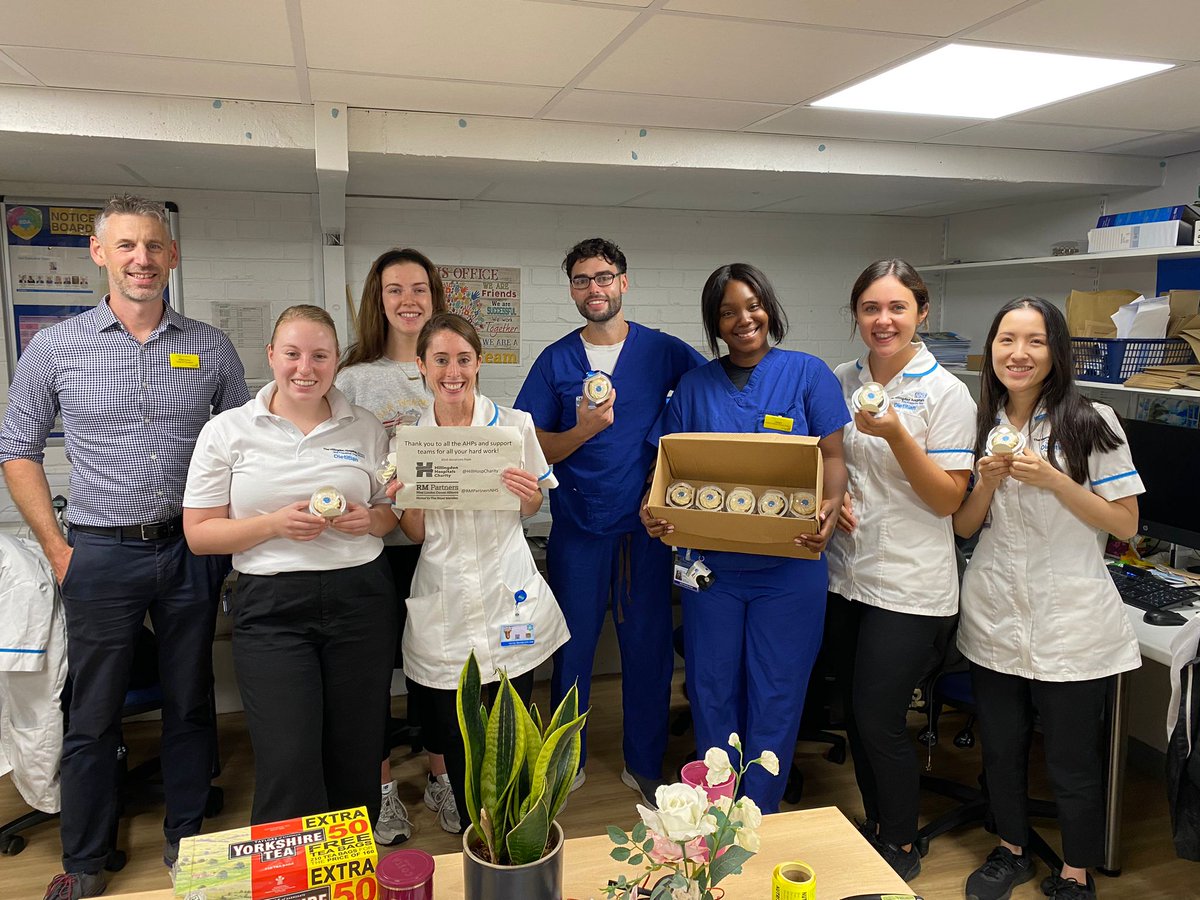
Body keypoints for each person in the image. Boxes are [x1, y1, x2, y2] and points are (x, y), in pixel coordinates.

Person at [0, 194, 250, 900]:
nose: (142, 259)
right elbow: (15, 448)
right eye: (127, 246)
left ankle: (189, 843)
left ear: (172, 256)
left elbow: (246, 448)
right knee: (92, 713)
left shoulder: (210, 345)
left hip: (189, 550)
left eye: (154, 246)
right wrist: (55, 547)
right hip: (97, 552)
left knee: (189, 700)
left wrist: (228, 544)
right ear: (100, 253)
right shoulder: (55, 345)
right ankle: (82, 859)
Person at [642, 262, 849, 814]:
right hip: (711, 570)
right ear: (715, 322)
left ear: (770, 308)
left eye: (753, 306)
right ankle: (712, 810)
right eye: (728, 311)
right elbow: (669, 467)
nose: (743, 319)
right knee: (712, 689)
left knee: (776, 693)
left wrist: (830, 504)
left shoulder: (808, 375)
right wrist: (654, 509)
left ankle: (758, 811)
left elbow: (832, 456)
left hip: (789, 569)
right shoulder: (693, 386)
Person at [953, 297, 1142, 900]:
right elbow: (964, 527)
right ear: (992, 350)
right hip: (995, 613)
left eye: (1034, 341)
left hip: (1072, 621)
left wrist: (1054, 479)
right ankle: (1011, 850)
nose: (1019, 353)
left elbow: (1126, 525)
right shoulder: (981, 423)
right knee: (1003, 747)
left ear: (1056, 352)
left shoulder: (1094, 421)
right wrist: (985, 480)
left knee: (1070, 758)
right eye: (1007, 340)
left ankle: (1075, 872)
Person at [183, 305, 399, 827]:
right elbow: (199, 534)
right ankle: (292, 883)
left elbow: (389, 515)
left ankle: (353, 872)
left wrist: (366, 520)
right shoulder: (227, 430)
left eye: (320, 355)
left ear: (335, 362)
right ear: (271, 356)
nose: (306, 367)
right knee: (288, 758)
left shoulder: (365, 427)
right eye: (293, 353)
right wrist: (273, 525)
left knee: (357, 749)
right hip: (271, 606)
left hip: (360, 600)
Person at [515, 237, 704, 803]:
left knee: (646, 649)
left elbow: (706, 405)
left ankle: (644, 763)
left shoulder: (665, 353)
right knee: (571, 648)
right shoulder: (555, 361)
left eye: (602, 277)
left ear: (623, 281)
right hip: (579, 529)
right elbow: (533, 447)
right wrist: (583, 430)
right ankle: (563, 763)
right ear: (571, 290)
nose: (593, 289)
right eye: (580, 280)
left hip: (647, 532)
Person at [825, 259, 976, 880]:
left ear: (922, 314)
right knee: (855, 712)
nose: (882, 321)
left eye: (896, 308)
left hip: (909, 584)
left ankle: (904, 843)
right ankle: (881, 823)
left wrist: (895, 435)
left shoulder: (947, 393)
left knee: (882, 716)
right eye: (870, 309)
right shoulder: (840, 378)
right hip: (846, 572)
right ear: (856, 315)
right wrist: (835, 491)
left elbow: (948, 499)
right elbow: (826, 456)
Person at [392, 313, 569, 830]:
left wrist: (527, 494)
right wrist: (412, 498)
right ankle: (475, 830)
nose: (453, 372)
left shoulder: (515, 426)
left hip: (505, 592)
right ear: (421, 366)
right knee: (453, 735)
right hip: (443, 595)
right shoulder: (412, 439)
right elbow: (416, 533)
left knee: (511, 731)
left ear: (479, 363)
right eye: (440, 360)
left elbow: (534, 504)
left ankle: (511, 835)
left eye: (463, 359)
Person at [336, 248, 451, 840]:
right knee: (372, 674)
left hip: (437, 546)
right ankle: (381, 792)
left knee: (436, 670)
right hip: (373, 552)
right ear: (377, 302)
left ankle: (442, 777)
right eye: (394, 290)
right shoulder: (352, 378)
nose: (409, 301)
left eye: (420, 289)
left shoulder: (449, 367)